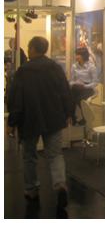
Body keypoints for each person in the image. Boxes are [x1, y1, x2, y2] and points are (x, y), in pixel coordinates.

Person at [6, 36, 73, 215]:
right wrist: (69, 113)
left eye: (29, 47)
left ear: (33, 49)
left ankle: (31, 190)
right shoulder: (55, 68)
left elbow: (16, 100)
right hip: (54, 118)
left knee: (29, 156)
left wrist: (12, 122)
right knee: (55, 155)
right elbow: (65, 91)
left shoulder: (23, 71)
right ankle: (59, 185)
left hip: (30, 120)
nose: (28, 50)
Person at [70, 47, 98, 124]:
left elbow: (95, 82)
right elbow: (71, 80)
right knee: (69, 97)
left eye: (78, 54)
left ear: (84, 55)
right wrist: (74, 83)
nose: (76, 56)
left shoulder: (91, 67)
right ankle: (72, 117)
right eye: (76, 54)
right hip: (76, 87)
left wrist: (84, 86)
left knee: (80, 99)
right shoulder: (74, 66)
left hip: (87, 87)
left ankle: (85, 117)